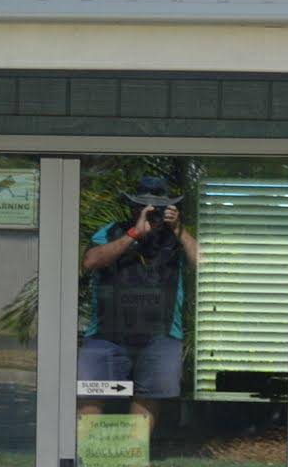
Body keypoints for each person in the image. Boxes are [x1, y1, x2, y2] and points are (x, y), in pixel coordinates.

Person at [79, 174, 200, 431]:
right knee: (94, 392)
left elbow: (203, 263)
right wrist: (133, 234)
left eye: (158, 207)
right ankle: (86, 455)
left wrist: (178, 229)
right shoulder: (112, 231)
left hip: (161, 334)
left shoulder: (176, 237)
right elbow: (90, 261)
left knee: (149, 395)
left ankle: (131, 456)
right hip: (106, 334)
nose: (151, 212)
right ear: (134, 207)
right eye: (144, 205)